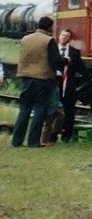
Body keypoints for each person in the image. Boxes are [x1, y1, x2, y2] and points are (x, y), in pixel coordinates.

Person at [11, 16, 65, 148]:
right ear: (49, 27)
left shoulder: (25, 39)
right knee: (40, 109)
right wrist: (66, 61)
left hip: (25, 77)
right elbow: (55, 60)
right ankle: (33, 141)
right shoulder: (48, 40)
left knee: (24, 109)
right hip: (42, 79)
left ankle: (16, 141)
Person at [53, 29, 92, 142]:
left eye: (67, 36)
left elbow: (81, 68)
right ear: (59, 36)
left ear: (70, 39)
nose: (64, 37)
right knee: (54, 110)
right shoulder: (53, 50)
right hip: (53, 84)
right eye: (63, 35)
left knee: (69, 111)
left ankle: (67, 136)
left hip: (68, 85)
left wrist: (91, 77)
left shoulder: (74, 52)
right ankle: (52, 136)